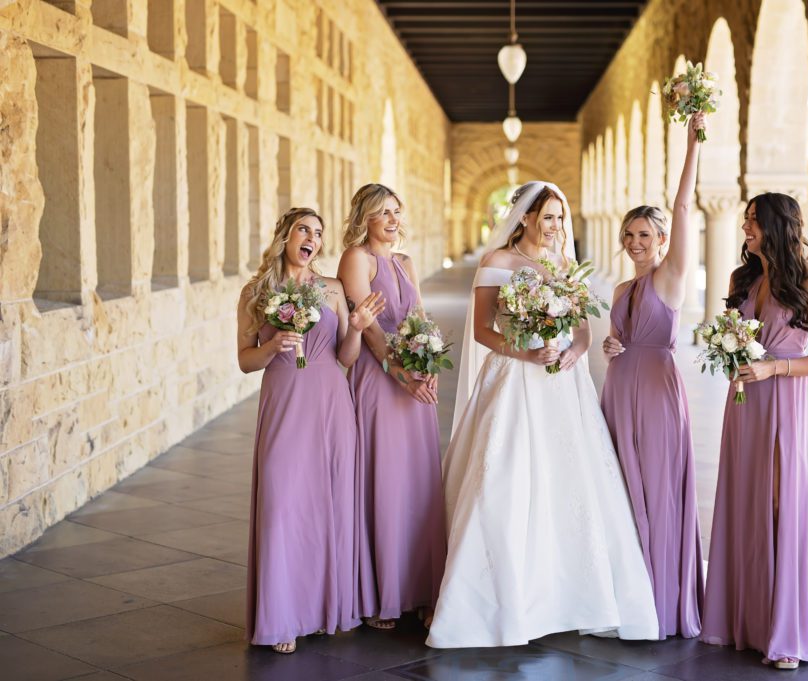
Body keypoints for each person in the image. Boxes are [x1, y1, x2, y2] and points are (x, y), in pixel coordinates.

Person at [426, 180, 659, 648]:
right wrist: (523, 352)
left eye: (559, 218)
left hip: (561, 383)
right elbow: (481, 331)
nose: (555, 227)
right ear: (525, 218)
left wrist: (575, 350)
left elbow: (583, 332)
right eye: (548, 217)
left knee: (568, 479)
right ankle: (497, 598)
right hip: (514, 377)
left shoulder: (564, 264)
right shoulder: (498, 264)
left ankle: (568, 593)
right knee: (505, 478)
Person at [699, 193, 808, 669]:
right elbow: (733, 336)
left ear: (777, 227)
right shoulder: (743, 279)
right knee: (746, 503)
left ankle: (787, 631)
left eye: (754, 221)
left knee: (782, 504)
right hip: (743, 405)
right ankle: (746, 621)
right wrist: (731, 359)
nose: (745, 228)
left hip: (786, 405)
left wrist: (775, 369)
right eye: (745, 220)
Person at [239, 207, 385, 654]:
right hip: (284, 398)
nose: (313, 239)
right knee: (283, 504)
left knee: (326, 507)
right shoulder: (256, 292)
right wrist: (271, 346)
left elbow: (345, 356)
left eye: (319, 233)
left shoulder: (332, 288)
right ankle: (281, 615)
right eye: (305, 229)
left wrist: (358, 328)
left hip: (329, 400)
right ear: (285, 234)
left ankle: (321, 611)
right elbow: (245, 360)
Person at [600, 113, 705, 639]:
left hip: (658, 393)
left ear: (662, 239)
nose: (635, 241)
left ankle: (662, 604)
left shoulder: (670, 276)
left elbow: (684, 206)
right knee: (620, 490)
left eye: (645, 234)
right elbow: (617, 339)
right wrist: (611, 343)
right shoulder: (620, 290)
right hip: (618, 391)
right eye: (629, 234)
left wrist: (692, 143)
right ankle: (624, 597)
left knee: (659, 492)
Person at [338, 184, 447, 630]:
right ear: (365, 217)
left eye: (397, 211)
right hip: (378, 379)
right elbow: (370, 329)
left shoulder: (405, 262)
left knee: (418, 484)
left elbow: (419, 319)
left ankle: (422, 589)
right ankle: (381, 593)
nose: (393, 219)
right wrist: (395, 370)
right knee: (383, 480)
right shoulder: (356, 259)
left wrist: (432, 363)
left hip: (414, 379)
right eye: (384, 212)